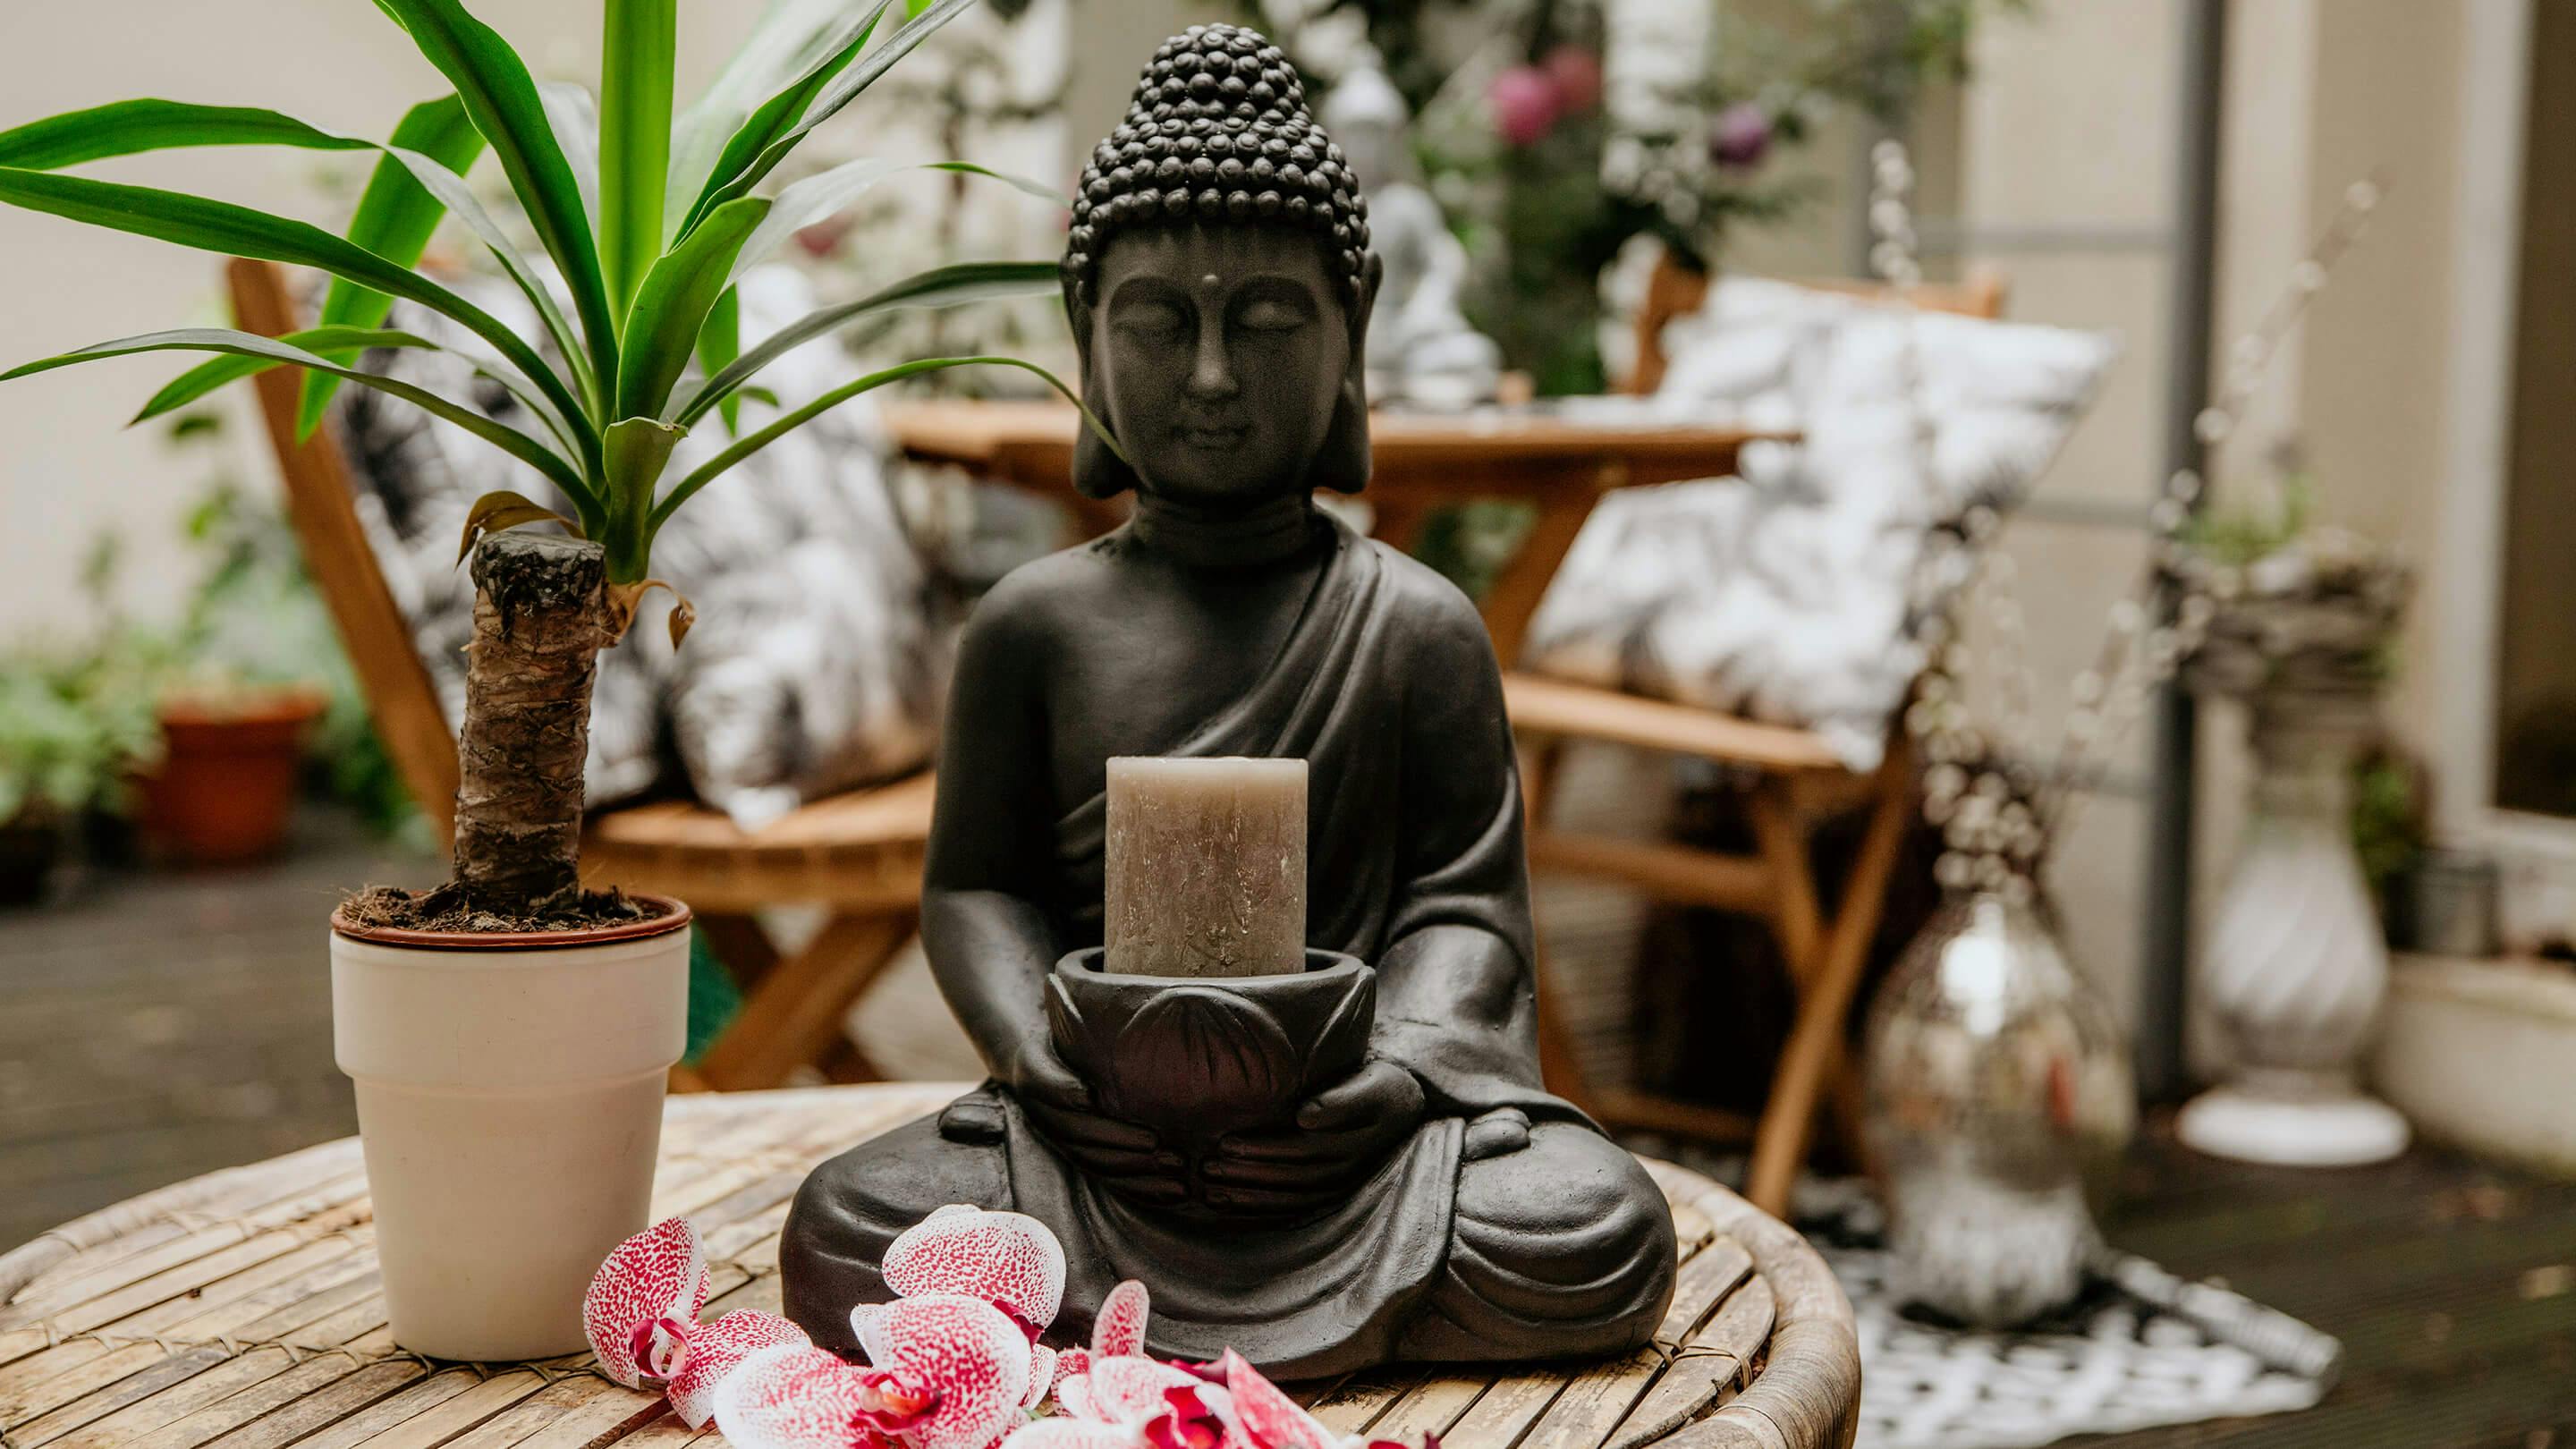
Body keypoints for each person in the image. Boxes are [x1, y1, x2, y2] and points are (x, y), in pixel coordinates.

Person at [780, 22, 1674, 1379]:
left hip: (1349, 1143)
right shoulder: (1034, 625)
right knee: (849, 1224)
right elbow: (975, 889)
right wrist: (1037, 1056)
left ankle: (1097, 1315)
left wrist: (1401, 1078)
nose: (1208, 377)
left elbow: (1461, 906)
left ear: (1349, 334)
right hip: (1089, 1137)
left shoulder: (1417, 627)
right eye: (1157, 325)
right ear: (1088, 339)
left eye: (1265, 324)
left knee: (1587, 1228)